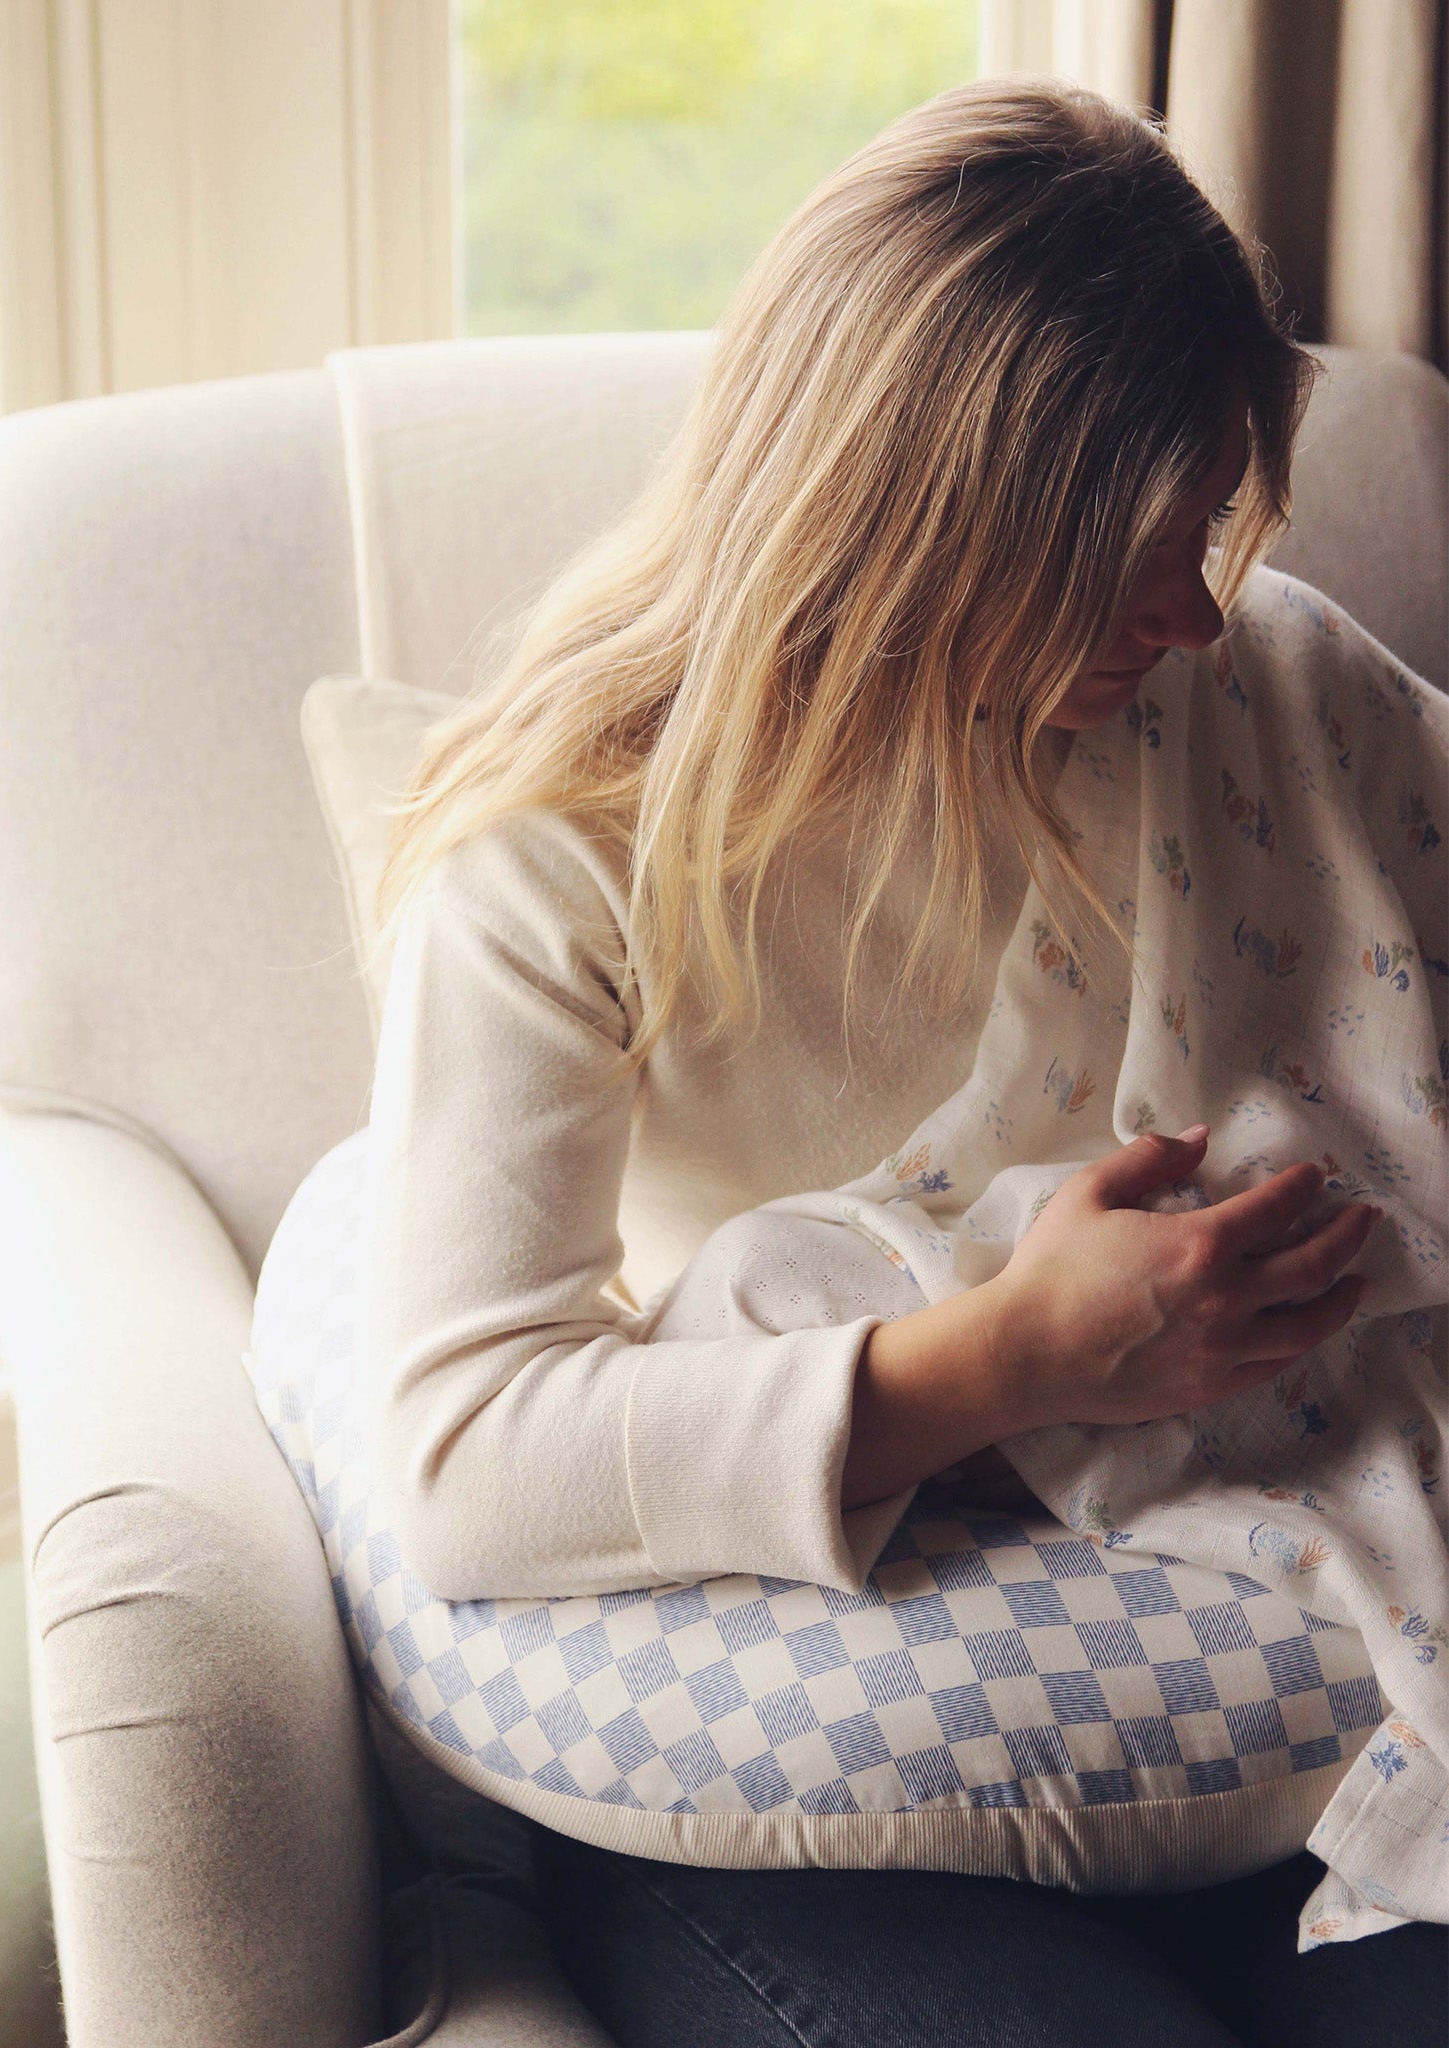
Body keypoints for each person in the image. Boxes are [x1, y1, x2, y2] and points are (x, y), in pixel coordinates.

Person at [362, 79, 1445, 2047]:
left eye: (1212, 525)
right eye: (1135, 550)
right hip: (829, 1771)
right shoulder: (561, 858)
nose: (1197, 604)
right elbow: (459, 1461)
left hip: (1293, 1684)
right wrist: (1015, 1359)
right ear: (927, 517)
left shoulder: (1260, 694)